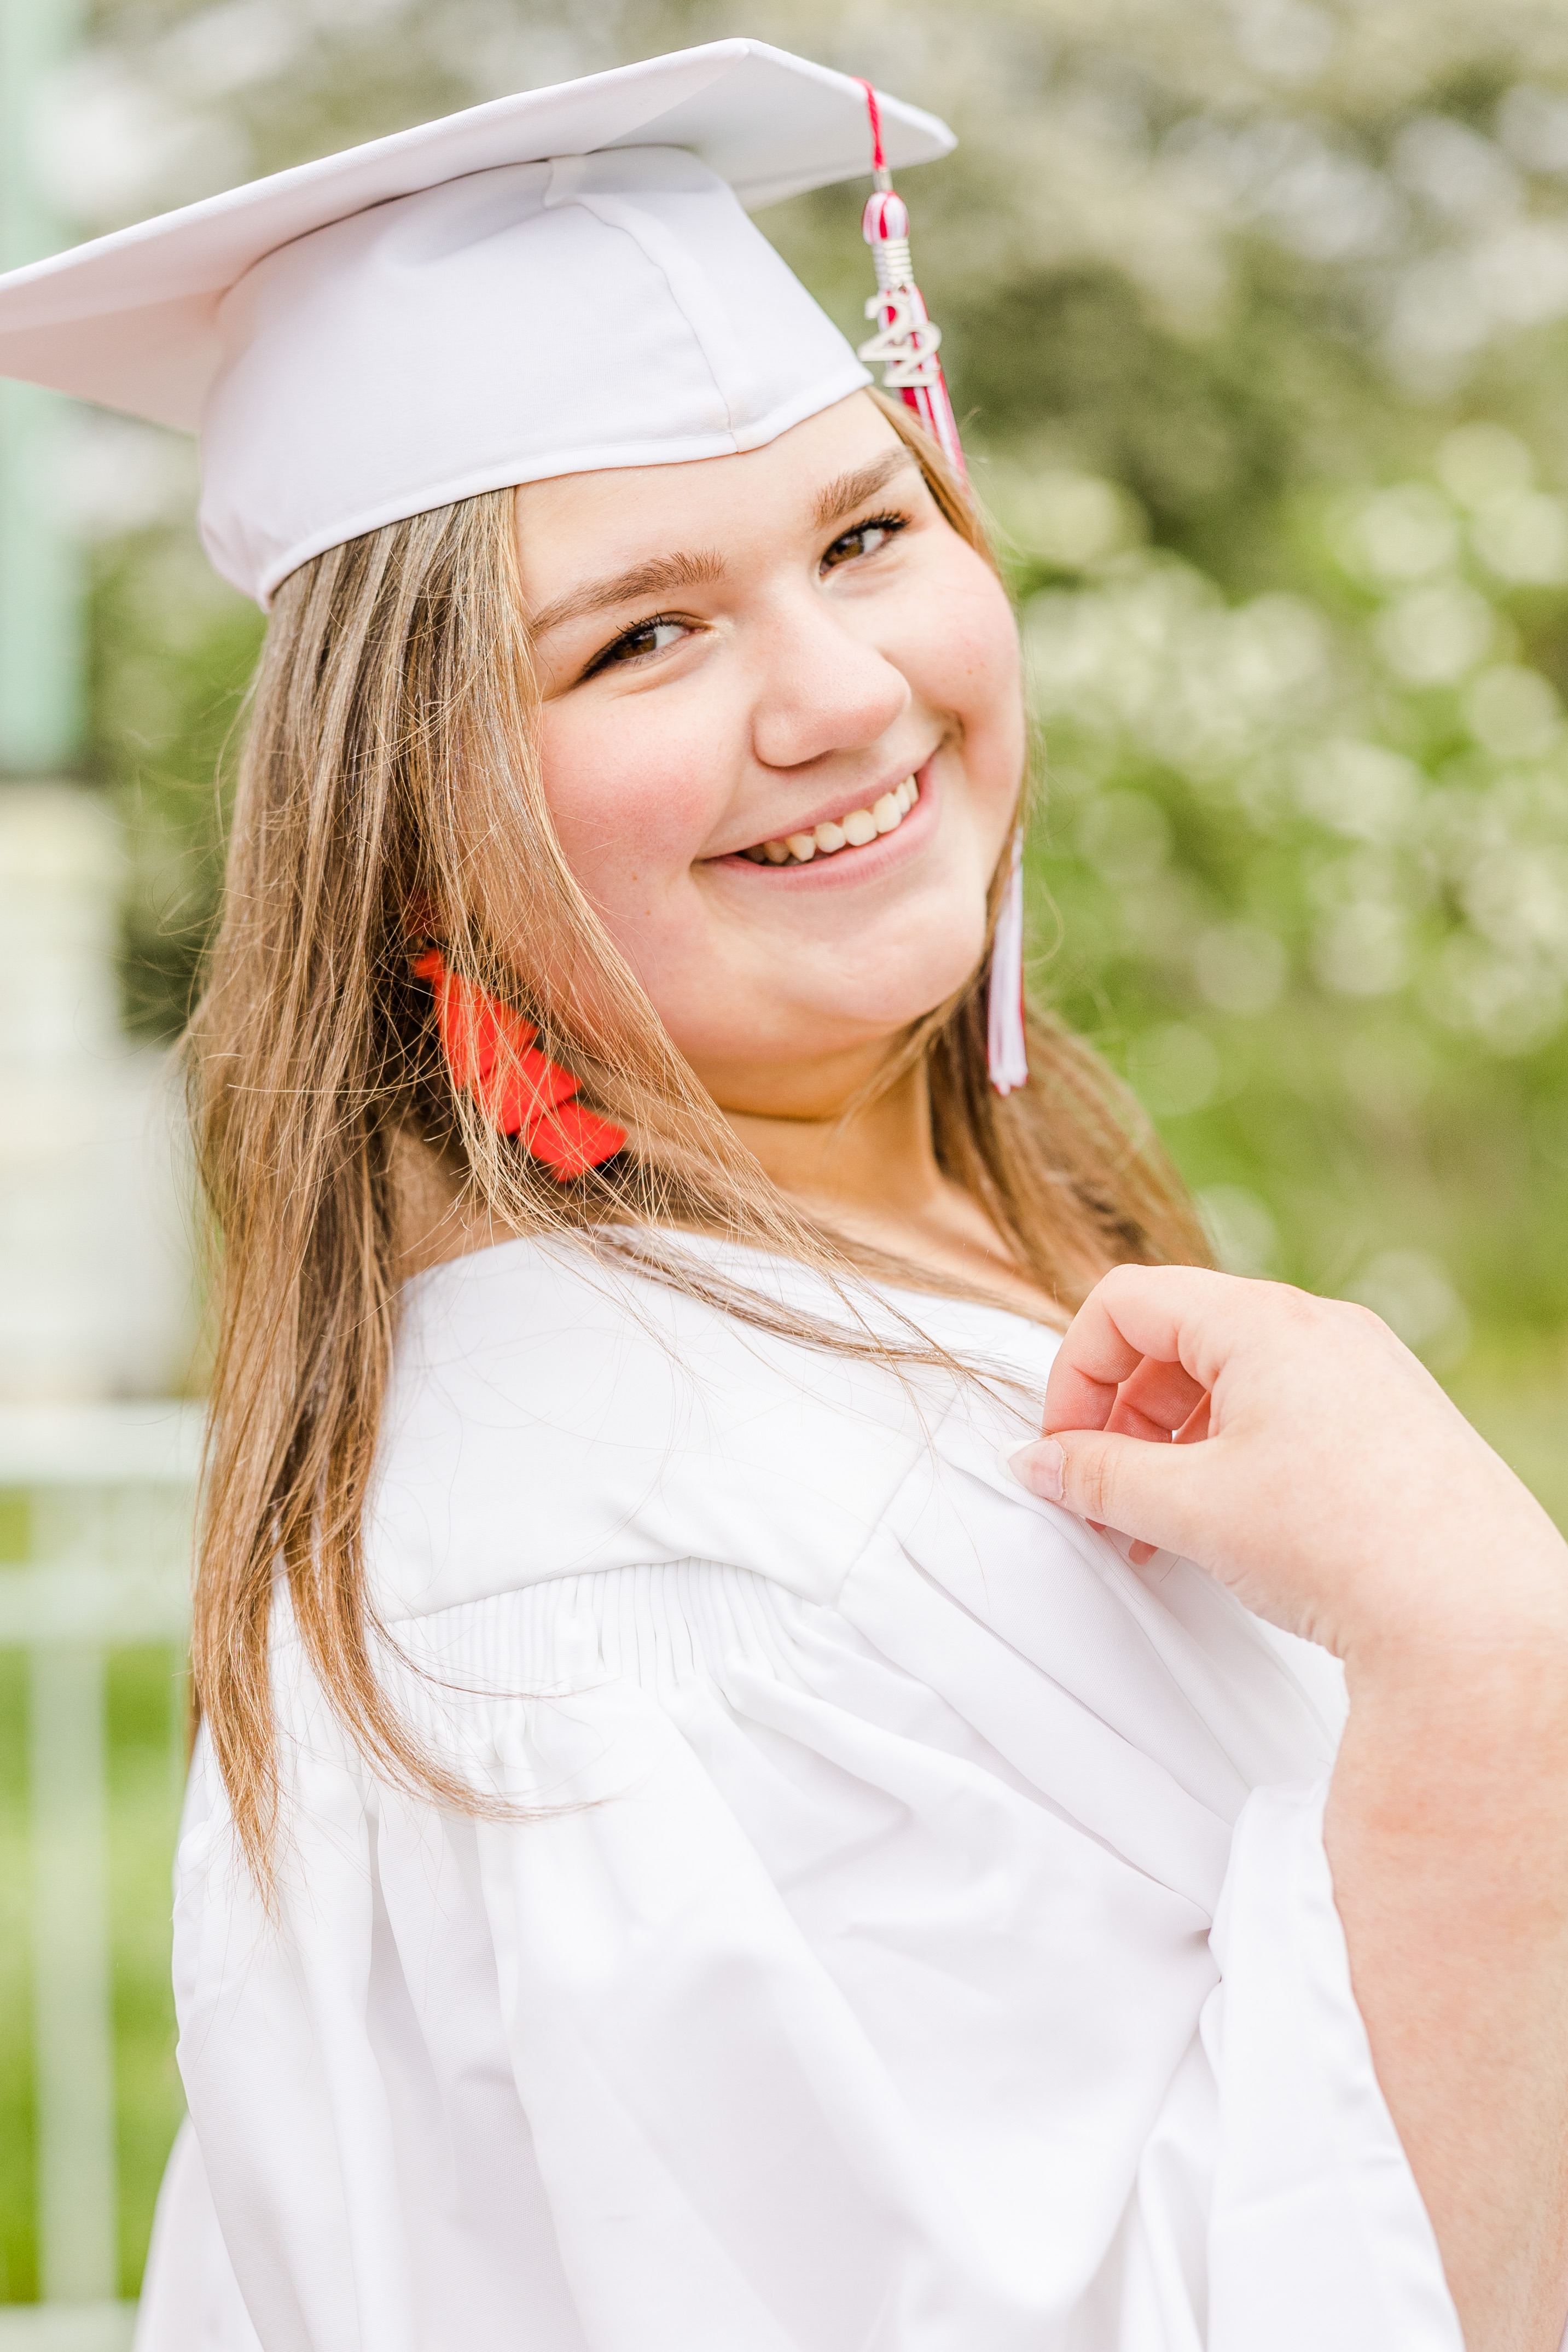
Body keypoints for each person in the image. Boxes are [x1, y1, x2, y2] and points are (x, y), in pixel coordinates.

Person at [3, 37, 1566, 2352]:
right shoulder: (618, 1600)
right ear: (412, 826)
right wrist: (1491, 1686)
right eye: (643, 634)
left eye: (865, 534)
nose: (843, 692)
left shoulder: (896, 1275)